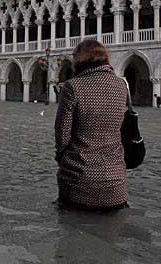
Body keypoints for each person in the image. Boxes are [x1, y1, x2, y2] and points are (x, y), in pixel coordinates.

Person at [55, 40, 128, 211]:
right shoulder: (121, 85)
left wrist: (62, 158)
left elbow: (62, 134)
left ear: (79, 59)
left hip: (79, 184)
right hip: (116, 187)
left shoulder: (73, 86)